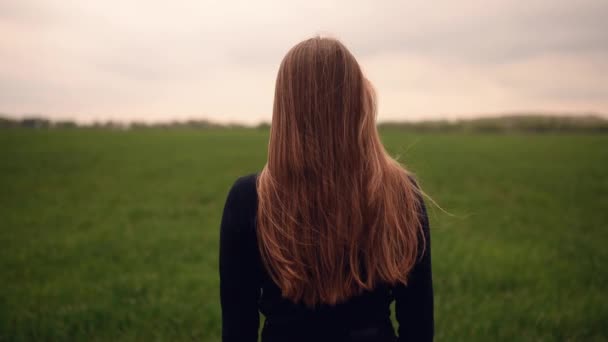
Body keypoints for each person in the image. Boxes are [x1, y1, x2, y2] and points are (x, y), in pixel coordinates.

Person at [219, 36, 433, 342]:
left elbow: (238, 329)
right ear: (359, 100)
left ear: (285, 107)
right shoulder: (400, 192)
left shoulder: (248, 199)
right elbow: (419, 326)